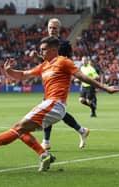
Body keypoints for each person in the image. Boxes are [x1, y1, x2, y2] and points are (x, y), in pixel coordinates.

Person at [0, 36, 119, 172]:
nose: (41, 52)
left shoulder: (63, 62)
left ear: (53, 49)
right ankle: (43, 155)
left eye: (44, 49)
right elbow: (23, 75)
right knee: (21, 130)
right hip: (50, 104)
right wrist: (9, 71)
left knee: (18, 127)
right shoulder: (44, 65)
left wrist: (105, 87)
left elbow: (83, 77)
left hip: (55, 104)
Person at [30, 18, 89, 150]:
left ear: (59, 29)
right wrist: (37, 58)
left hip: (60, 81)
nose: (52, 30)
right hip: (49, 80)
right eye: (50, 27)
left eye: (55, 28)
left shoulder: (65, 44)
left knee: (48, 108)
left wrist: (73, 76)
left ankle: (46, 141)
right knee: (57, 111)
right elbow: (46, 63)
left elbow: (68, 63)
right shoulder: (44, 43)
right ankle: (81, 130)